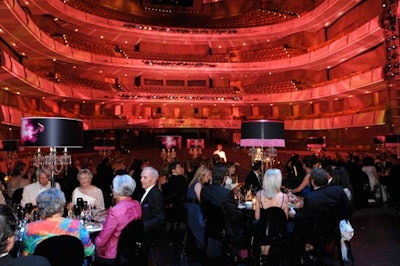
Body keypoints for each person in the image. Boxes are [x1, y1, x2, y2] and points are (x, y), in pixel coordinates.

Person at [292, 168, 353, 265]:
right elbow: (349, 209)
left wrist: (294, 214)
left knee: (295, 228)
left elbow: (305, 218)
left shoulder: (311, 198)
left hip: (317, 232)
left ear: (312, 182)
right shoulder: (338, 190)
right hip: (336, 228)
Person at [20, 188, 95, 258]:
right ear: (62, 205)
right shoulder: (76, 225)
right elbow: (89, 251)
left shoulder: (30, 228)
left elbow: (24, 255)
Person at [94, 174, 142, 264]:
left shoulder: (115, 211)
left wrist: (91, 243)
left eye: (113, 187)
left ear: (116, 189)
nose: (112, 189)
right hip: (130, 249)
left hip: (112, 253)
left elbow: (102, 240)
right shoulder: (136, 204)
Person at [200, 163, 243, 259]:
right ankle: (240, 255)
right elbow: (234, 215)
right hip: (224, 229)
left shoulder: (205, 190)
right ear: (224, 178)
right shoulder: (226, 193)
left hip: (210, 225)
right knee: (246, 226)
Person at [255, 168, 288, 256]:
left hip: (262, 231)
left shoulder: (258, 194)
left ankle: (263, 257)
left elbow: (257, 217)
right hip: (278, 232)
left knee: (264, 229)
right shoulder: (284, 197)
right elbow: (285, 218)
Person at [140, 166, 166, 265]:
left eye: (145, 177)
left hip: (150, 235)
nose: (141, 180)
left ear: (154, 179)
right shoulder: (148, 192)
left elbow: (160, 218)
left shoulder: (155, 195)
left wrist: (142, 226)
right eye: (141, 177)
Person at [186, 166, 212, 249]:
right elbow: (201, 200)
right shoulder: (197, 184)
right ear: (202, 175)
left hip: (192, 207)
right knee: (201, 227)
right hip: (195, 209)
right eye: (208, 176)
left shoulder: (194, 183)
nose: (209, 178)